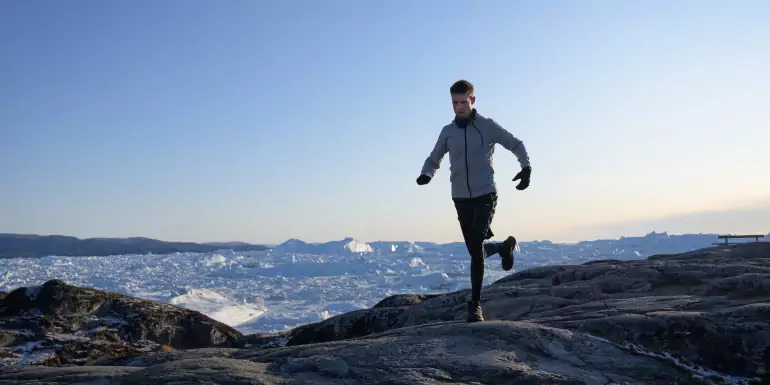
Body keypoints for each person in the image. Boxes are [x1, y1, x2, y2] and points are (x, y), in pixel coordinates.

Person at [416, 79, 532, 322]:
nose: (459, 107)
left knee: (477, 245)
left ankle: (475, 305)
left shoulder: (486, 126)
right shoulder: (447, 132)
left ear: (473, 100)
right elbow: (434, 157)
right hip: (460, 198)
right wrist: (427, 173)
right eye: (455, 103)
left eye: (463, 102)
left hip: (485, 194)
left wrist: (526, 167)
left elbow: (515, 143)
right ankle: (502, 247)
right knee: (475, 251)